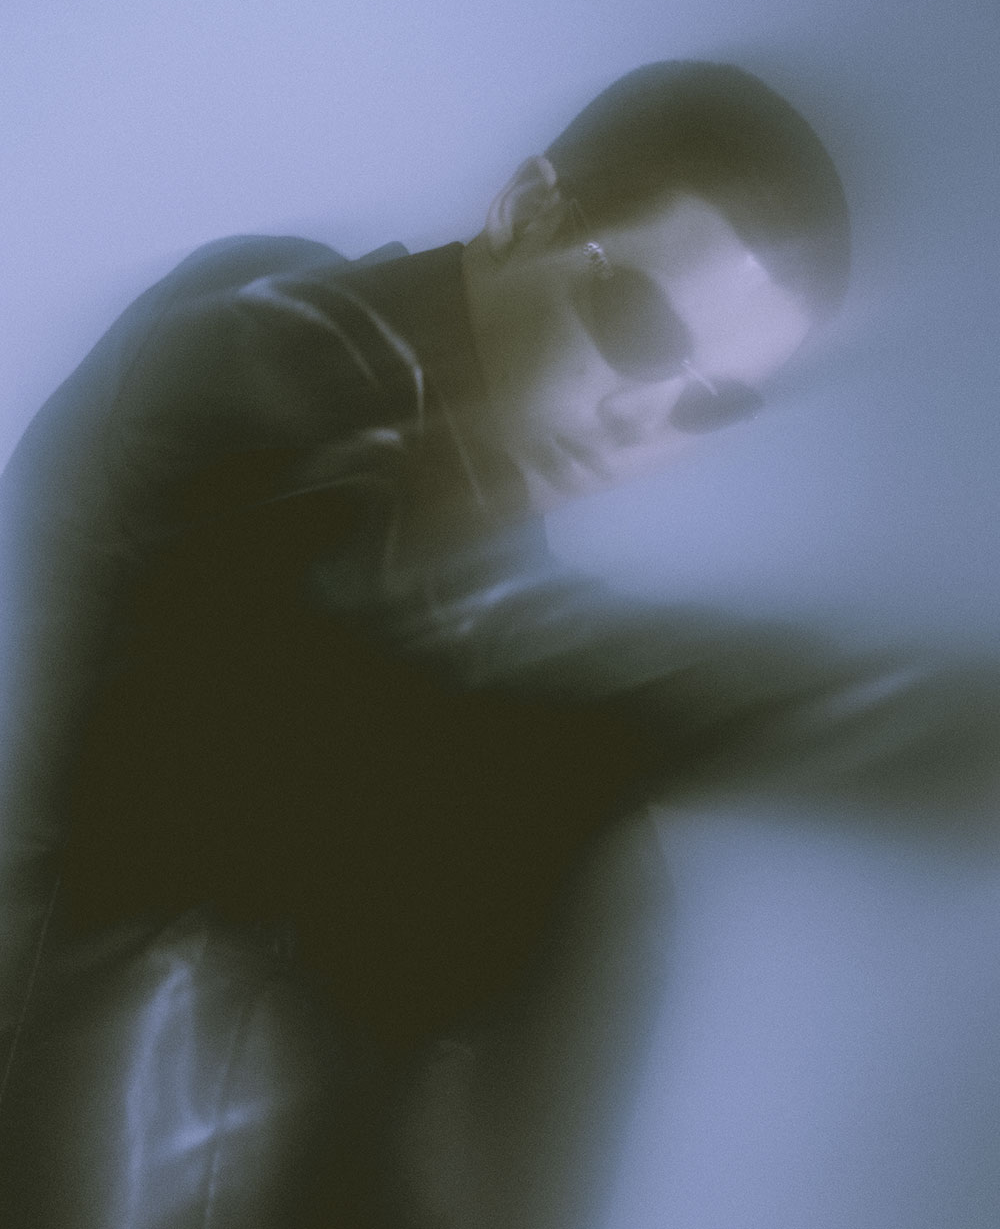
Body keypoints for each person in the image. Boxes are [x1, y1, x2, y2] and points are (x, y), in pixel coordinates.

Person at [0, 61, 853, 1226]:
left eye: (709, 406)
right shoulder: (271, 347)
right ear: (527, 210)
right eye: (641, 329)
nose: (640, 424)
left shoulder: (486, 587)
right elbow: (119, 918)